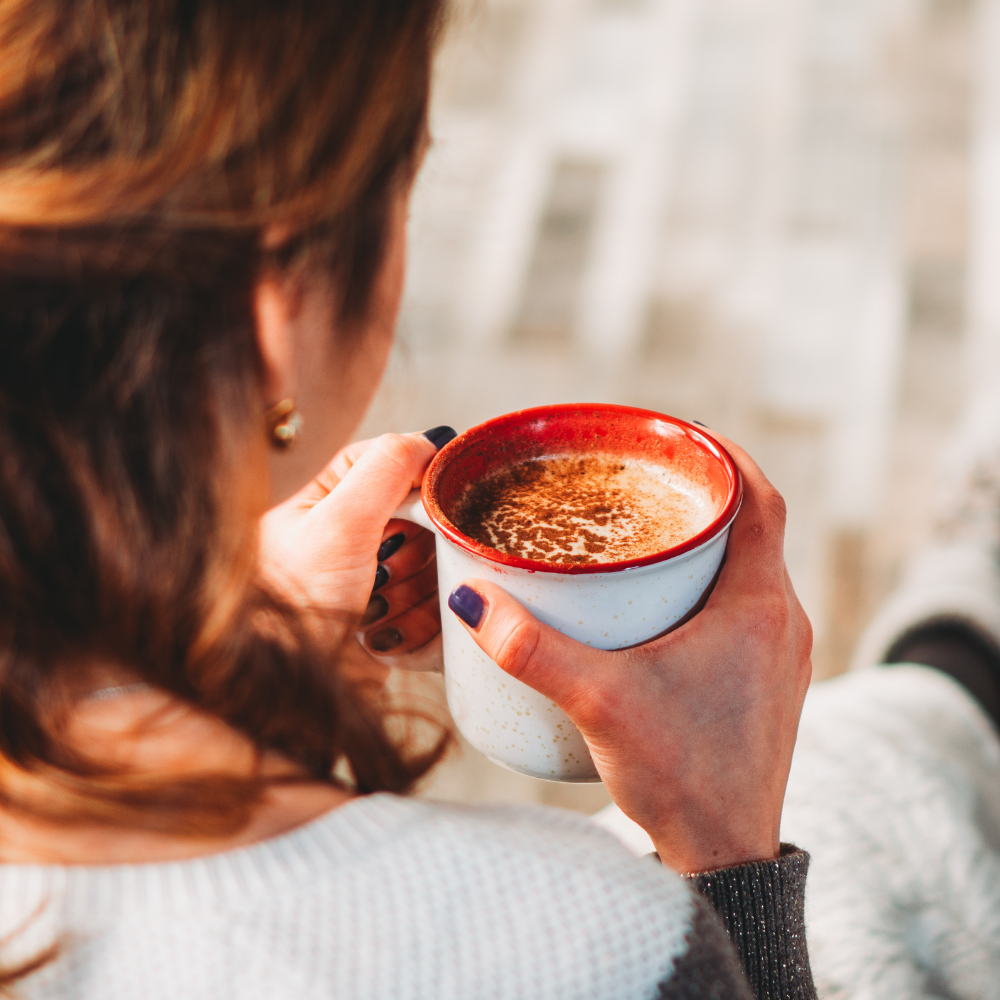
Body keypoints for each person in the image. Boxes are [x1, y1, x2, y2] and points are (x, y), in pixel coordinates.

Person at [0, 2, 813, 997]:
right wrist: (727, 853)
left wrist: (233, 679)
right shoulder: (582, 938)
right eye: (401, 190)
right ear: (278, 305)